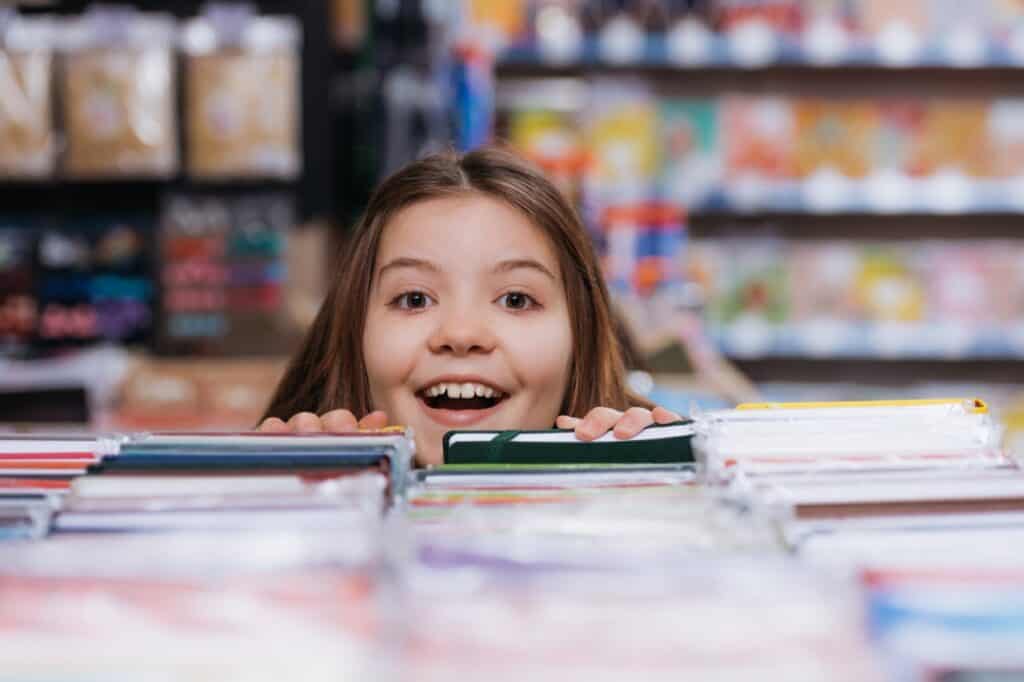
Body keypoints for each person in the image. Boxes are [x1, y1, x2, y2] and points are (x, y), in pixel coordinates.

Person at [259, 147, 683, 465]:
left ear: (581, 338)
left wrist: (655, 494)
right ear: (354, 331)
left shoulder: (643, 505)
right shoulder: (289, 497)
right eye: (414, 299)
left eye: (515, 300)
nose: (461, 335)